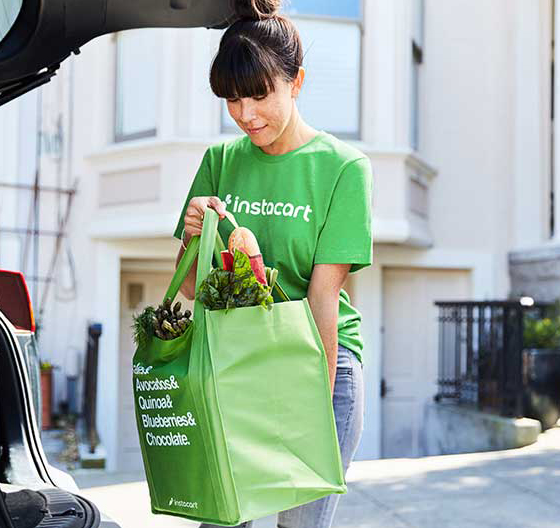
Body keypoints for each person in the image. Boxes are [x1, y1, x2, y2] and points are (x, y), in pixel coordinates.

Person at [173, 0, 372, 526]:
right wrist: (194, 234)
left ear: (297, 82)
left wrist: (313, 411)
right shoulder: (219, 162)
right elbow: (191, 287)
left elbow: (322, 299)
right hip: (237, 364)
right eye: (232, 99)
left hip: (318, 364)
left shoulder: (343, 168)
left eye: (259, 95)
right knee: (221, 518)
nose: (245, 114)